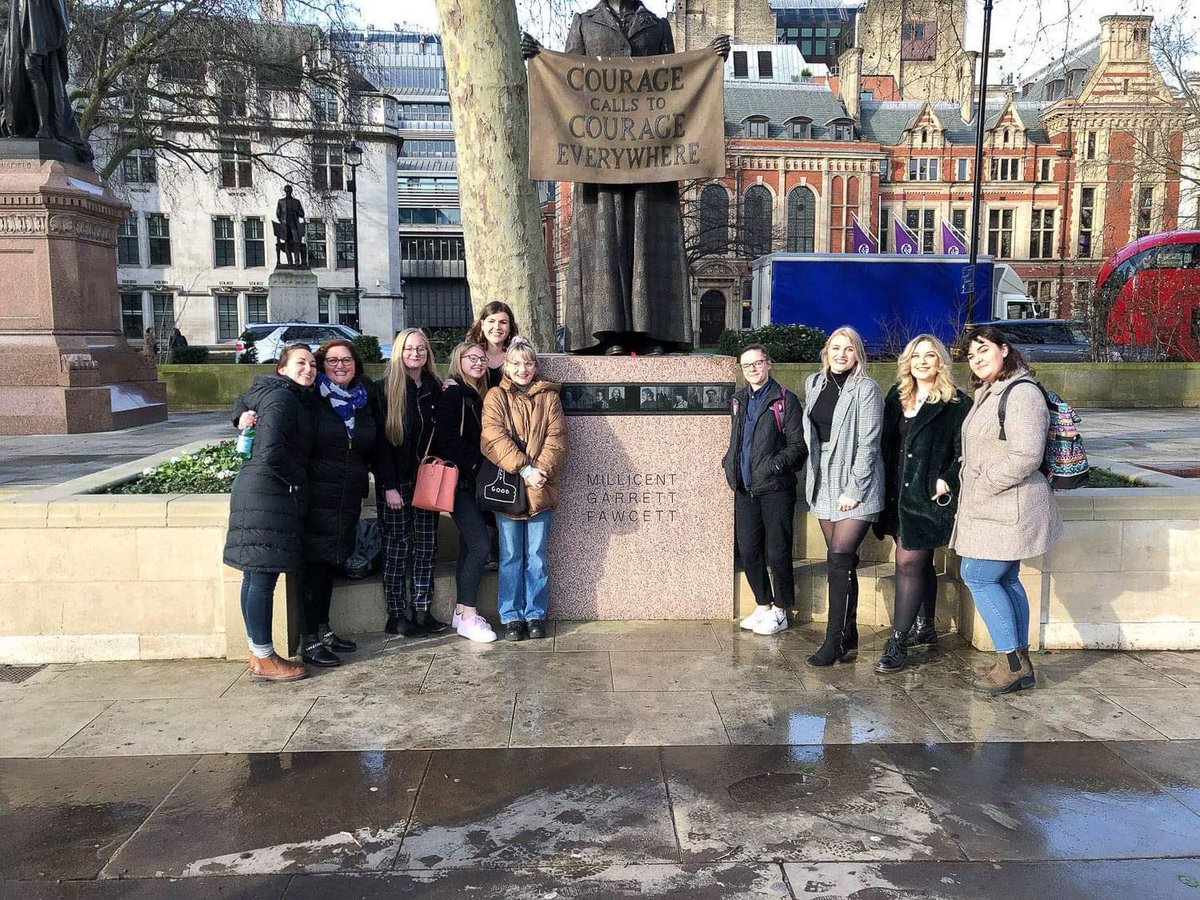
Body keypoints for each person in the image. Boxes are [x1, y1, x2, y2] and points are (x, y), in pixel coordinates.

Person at [521, 8, 729, 356]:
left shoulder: (658, 26)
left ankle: (654, 332)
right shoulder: (585, 23)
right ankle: (607, 333)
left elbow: (677, 85)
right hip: (600, 166)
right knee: (606, 244)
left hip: (652, 164)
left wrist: (709, 58)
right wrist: (539, 57)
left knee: (650, 243)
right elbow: (566, 82)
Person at [952, 325, 1063, 695]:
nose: (977, 359)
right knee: (1006, 578)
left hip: (1006, 506)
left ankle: (1011, 663)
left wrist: (985, 481)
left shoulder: (1021, 392)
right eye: (971, 355)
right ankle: (1019, 661)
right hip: (996, 508)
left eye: (983, 350)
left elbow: (1027, 455)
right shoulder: (992, 390)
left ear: (1003, 349)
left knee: (979, 575)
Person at [872, 335, 971, 674]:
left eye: (930, 356)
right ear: (907, 361)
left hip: (927, 498)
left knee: (907, 564)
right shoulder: (895, 396)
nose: (923, 362)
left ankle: (898, 641)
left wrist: (947, 478)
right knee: (922, 561)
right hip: (896, 495)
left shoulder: (956, 403)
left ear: (940, 361)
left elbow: (965, 453)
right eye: (916, 356)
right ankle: (925, 626)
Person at [222, 344, 316, 682]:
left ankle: (258, 650)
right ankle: (263, 656)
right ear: (282, 368)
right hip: (269, 494)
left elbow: (246, 399)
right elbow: (273, 452)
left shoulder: (277, 392)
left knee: (254, 577)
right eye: (301, 363)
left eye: (312, 364)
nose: (309, 369)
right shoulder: (283, 399)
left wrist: (239, 414)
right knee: (261, 578)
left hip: (259, 491)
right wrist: (301, 479)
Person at [801, 325, 884, 667]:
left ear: (857, 355)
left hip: (856, 480)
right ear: (826, 352)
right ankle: (848, 631)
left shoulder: (866, 389)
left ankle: (832, 640)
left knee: (838, 557)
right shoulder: (814, 383)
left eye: (848, 349)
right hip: (823, 477)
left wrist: (853, 490)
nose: (841, 354)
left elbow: (869, 444)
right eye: (835, 348)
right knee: (843, 562)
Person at [481, 338, 569, 641]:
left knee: (537, 557)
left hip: (541, 489)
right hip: (509, 490)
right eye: (516, 363)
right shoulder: (495, 396)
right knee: (510, 556)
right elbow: (493, 437)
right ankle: (511, 615)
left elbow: (557, 437)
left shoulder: (549, 397)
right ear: (507, 365)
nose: (523, 369)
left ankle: (534, 613)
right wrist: (523, 468)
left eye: (528, 363)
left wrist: (541, 470)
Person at [723, 344, 806, 635]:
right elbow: (738, 443)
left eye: (758, 363)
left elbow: (798, 447)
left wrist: (772, 466)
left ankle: (782, 610)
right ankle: (763, 604)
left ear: (768, 364)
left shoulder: (785, 400)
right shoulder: (739, 400)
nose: (753, 369)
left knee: (778, 551)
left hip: (775, 489)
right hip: (745, 489)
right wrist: (728, 464)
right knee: (748, 551)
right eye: (747, 366)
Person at [376, 328, 445, 636]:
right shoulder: (384, 389)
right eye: (408, 349)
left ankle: (422, 609)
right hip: (396, 482)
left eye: (420, 349)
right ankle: (395, 614)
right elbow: (379, 444)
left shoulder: (436, 387)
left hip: (428, 479)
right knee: (397, 547)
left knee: (427, 546)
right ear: (398, 353)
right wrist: (388, 485)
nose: (415, 354)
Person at [431, 342, 497, 643]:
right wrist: (474, 463)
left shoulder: (476, 394)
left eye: (483, 358)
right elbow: (445, 439)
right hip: (460, 483)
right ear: (458, 359)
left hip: (473, 483)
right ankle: (468, 616)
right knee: (481, 545)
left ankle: (461, 612)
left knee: (469, 547)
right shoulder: (455, 392)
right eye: (472, 358)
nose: (479, 362)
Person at [466, 301, 520, 389]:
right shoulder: (469, 357)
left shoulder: (518, 358)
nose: (497, 327)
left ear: (510, 327)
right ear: (482, 325)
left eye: (503, 322)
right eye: (491, 321)